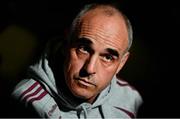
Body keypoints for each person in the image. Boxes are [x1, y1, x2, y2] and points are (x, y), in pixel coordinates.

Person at [12, 3, 143, 118]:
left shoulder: (132, 100)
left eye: (108, 57)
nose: (89, 69)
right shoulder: (29, 103)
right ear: (65, 44)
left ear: (121, 64)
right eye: (84, 49)